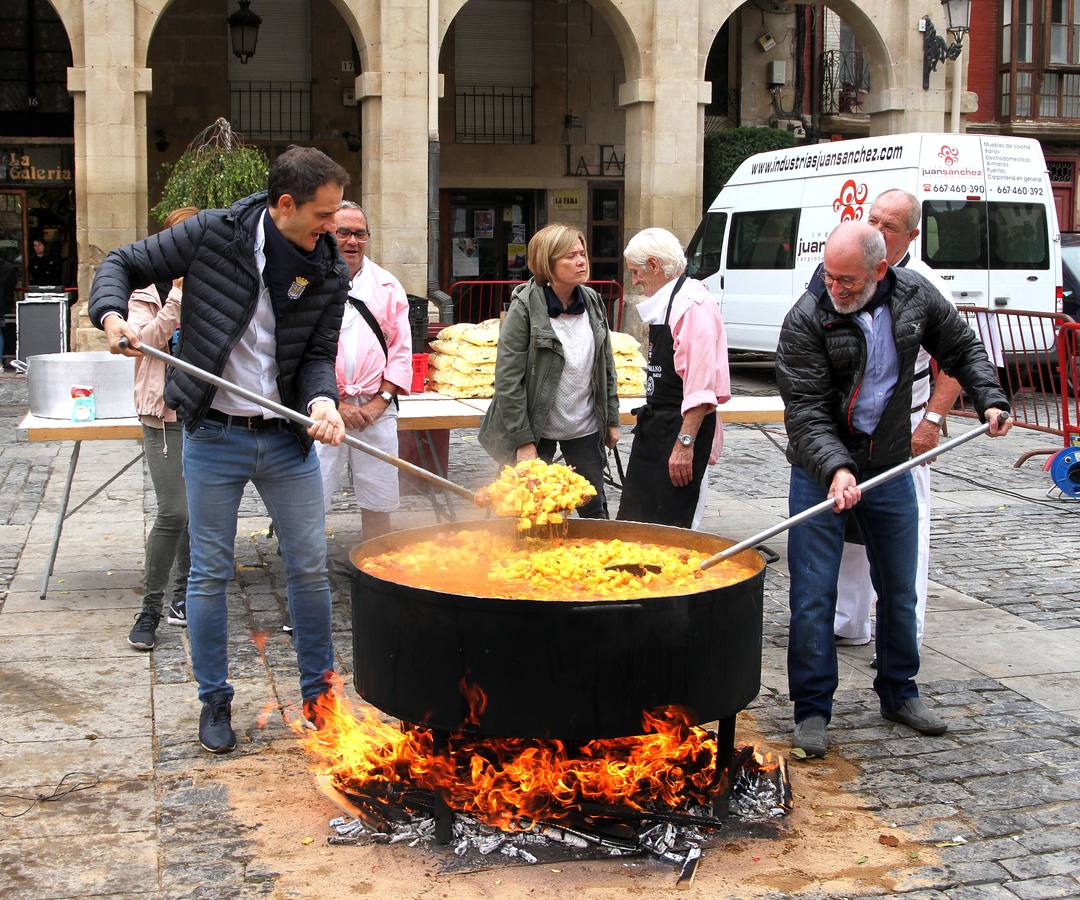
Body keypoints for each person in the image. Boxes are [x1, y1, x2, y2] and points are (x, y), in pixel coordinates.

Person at [90, 146, 349, 755]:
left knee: (309, 568)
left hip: (285, 440)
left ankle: (319, 695)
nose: (331, 228)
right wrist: (109, 316)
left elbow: (316, 357)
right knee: (208, 572)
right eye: (324, 215)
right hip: (213, 432)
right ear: (285, 205)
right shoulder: (215, 234)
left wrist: (322, 403)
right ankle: (214, 700)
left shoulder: (329, 270)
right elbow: (121, 263)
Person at [776, 220, 1010, 759]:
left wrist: (989, 396)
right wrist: (835, 468)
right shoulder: (807, 317)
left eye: (848, 281)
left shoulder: (914, 294)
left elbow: (961, 345)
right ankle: (812, 709)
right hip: (819, 470)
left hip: (889, 462)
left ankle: (900, 692)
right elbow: (806, 413)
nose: (836, 289)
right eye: (830, 277)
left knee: (900, 590)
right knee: (813, 596)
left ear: (881, 270)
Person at [829, 189, 964, 649]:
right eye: (873, 220)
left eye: (889, 225)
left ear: (912, 234)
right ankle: (848, 622)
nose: (877, 230)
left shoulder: (926, 287)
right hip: (855, 428)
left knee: (908, 531)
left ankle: (905, 630)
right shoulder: (858, 274)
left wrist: (931, 421)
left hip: (906, 428)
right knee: (848, 520)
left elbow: (956, 362)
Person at [479, 223, 620, 517]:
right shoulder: (524, 307)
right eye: (570, 256)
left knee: (592, 503)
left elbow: (606, 364)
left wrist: (612, 419)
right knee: (527, 506)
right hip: (535, 426)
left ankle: (597, 562)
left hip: (583, 424)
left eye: (582, 254)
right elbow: (508, 381)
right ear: (547, 262)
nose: (581, 261)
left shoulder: (592, 301)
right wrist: (523, 441)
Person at [616, 227, 731, 528]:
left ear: (654, 266)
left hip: (681, 432)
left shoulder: (693, 307)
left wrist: (684, 445)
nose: (635, 281)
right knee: (635, 522)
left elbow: (701, 391)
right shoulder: (669, 303)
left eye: (636, 272)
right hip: (655, 428)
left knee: (672, 530)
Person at [125, 205, 199, 652]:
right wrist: (176, 297)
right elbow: (144, 344)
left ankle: (186, 596)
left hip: (207, 414)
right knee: (175, 511)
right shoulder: (145, 291)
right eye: (180, 240)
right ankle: (151, 607)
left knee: (201, 512)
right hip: (163, 414)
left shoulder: (215, 287)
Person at [316, 201, 412, 541]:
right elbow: (297, 351)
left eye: (360, 234)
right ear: (328, 233)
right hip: (323, 408)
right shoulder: (309, 281)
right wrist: (333, 403)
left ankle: (376, 559)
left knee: (379, 491)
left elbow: (401, 352)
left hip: (376, 408)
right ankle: (306, 564)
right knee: (313, 489)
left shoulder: (387, 286)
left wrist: (378, 402)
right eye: (343, 233)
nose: (352, 242)